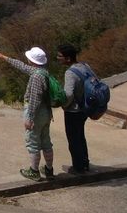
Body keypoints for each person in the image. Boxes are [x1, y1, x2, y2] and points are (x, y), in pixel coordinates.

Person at [0, 46, 54, 181]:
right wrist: (4, 57)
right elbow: (22, 66)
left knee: (33, 142)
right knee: (46, 141)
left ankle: (34, 171)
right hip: (46, 112)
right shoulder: (43, 72)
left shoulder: (36, 76)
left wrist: (30, 118)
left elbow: (35, 99)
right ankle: (49, 169)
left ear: (32, 60)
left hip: (36, 113)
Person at [57, 43, 90, 173]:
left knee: (73, 139)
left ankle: (78, 167)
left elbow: (69, 94)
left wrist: (64, 105)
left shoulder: (70, 72)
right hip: (85, 108)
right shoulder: (85, 66)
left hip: (73, 111)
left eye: (60, 56)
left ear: (68, 59)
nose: (58, 58)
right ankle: (84, 163)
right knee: (80, 137)